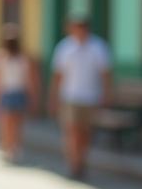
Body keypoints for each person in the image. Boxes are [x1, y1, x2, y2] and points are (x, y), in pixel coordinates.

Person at [48, 16, 112, 179]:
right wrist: (53, 97)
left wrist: (106, 93)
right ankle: (74, 164)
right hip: (70, 96)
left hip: (91, 96)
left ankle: (81, 161)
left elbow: (105, 73)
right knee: (72, 131)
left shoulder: (98, 47)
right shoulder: (64, 48)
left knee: (86, 133)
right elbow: (58, 75)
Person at [0, 23, 41, 163]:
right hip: (10, 93)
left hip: (14, 93)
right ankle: (9, 147)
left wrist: (34, 98)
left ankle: (12, 148)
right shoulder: (2, 57)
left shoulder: (20, 58)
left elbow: (30, 80)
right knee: (9, 124)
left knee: (12, 124)